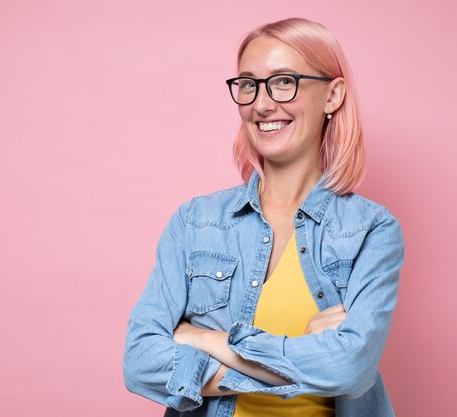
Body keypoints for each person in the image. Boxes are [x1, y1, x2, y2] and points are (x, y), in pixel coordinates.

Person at [123, 17, 405, 417]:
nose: (262, 103)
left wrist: (206, 339)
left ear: (333, 96)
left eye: (284, 81)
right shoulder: (195, 223)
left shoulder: (370, 230)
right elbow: (139, 362)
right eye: (248, 84)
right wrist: (294, 363)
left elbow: (350, 369)